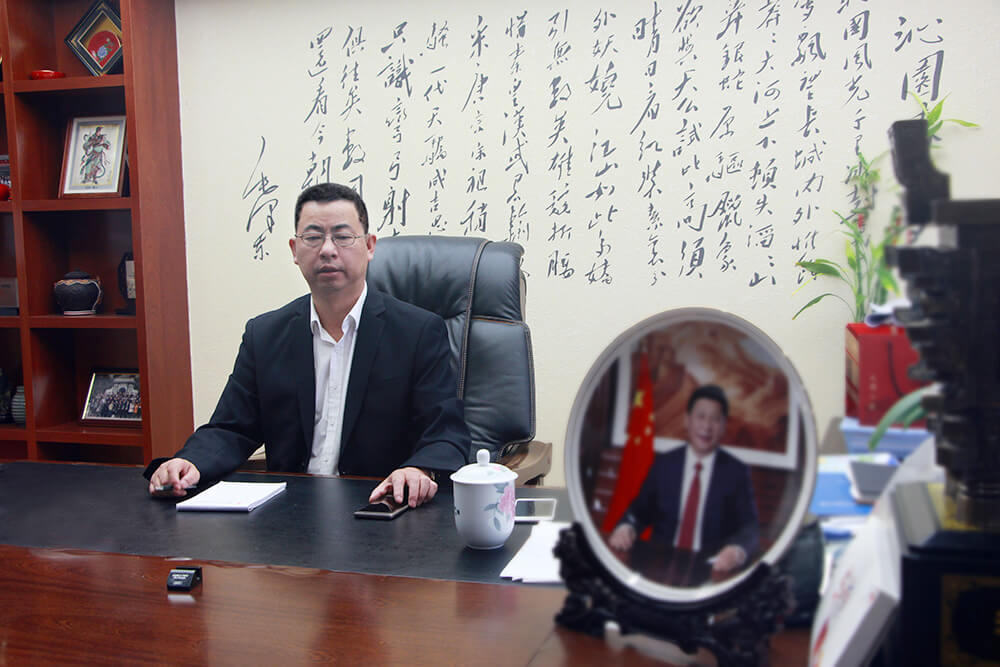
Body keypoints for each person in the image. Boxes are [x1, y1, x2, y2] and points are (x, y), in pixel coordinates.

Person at [146, 182, 471, 507]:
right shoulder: (265, 335)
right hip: (289, 513)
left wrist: (419, 469)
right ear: (294, 249)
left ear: (370, 246)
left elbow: (445, 433)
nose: (328, 250)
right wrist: (190, 462)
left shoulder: (417, 333)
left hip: (379, 508)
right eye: (313, 237)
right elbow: (231, 429)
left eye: (343, 237)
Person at [608, 384, 759, 580]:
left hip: (709, 572)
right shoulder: (664, 464)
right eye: (700, 416)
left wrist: (737, 550)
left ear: (723, 426)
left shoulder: (736, 472)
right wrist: (625, 528)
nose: (706, 426)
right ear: (687, 420)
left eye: (714, 419)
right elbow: (638, 513)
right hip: (659, 567)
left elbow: (749, 527)